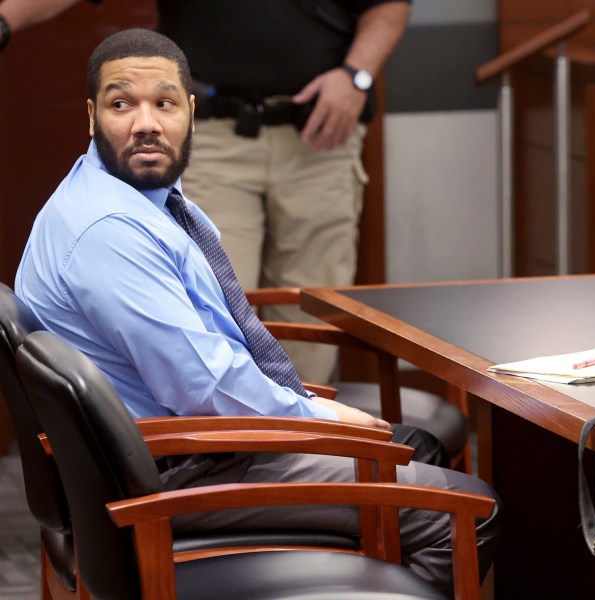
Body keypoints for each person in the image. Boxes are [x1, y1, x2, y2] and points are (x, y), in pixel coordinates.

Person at [15, 29, 501, 597]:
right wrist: (313, 419)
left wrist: (305, 410)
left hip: (167, 452)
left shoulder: (137, 202)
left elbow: (207, 355)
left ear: (190, 113)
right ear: (92, 117)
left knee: (415, 446)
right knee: (469, 509)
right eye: (122, 104)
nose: (145, 122)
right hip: (181, 471)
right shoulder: (108, 231)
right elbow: (202, 384)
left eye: (164, 103)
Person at [0, 0, 410, 384]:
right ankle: (235, 452)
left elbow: (388, 4)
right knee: (210, 309)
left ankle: (308, 442)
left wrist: (358, 75)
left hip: (321, 139)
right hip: (214, 138)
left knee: (313, 313)